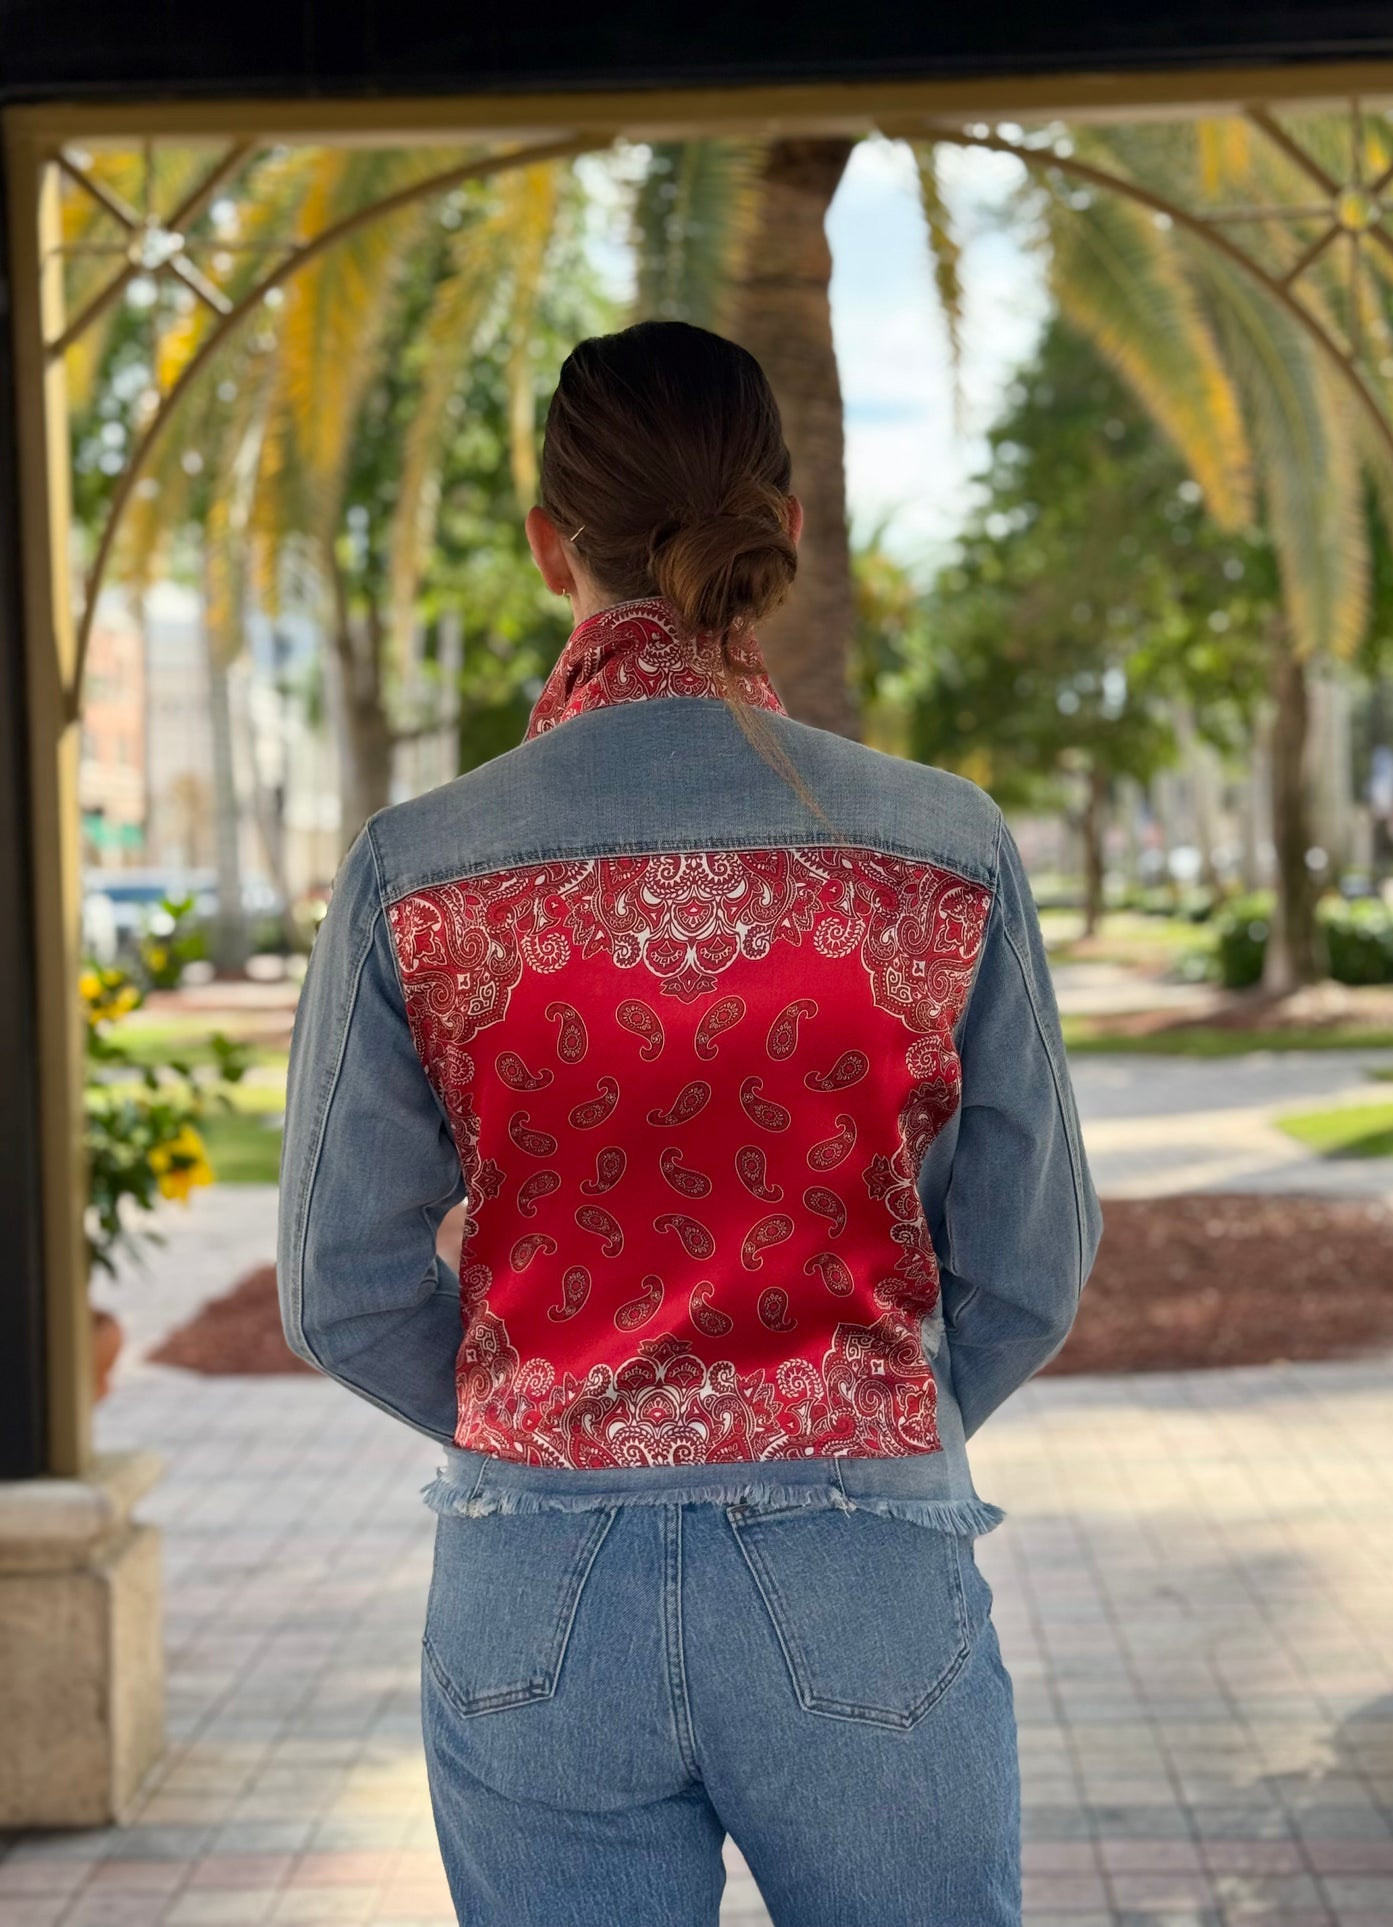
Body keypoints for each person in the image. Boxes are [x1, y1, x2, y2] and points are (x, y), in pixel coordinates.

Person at [278, 319, 1102, 1927]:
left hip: (534, 1594)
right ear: (783, 527)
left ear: (545, 548)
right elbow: (1028, 1267)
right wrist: (871, 1432)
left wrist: (543, 1419)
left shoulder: (414, 864)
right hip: (864, 1567)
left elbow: (340, 1287)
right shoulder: (939, 847)